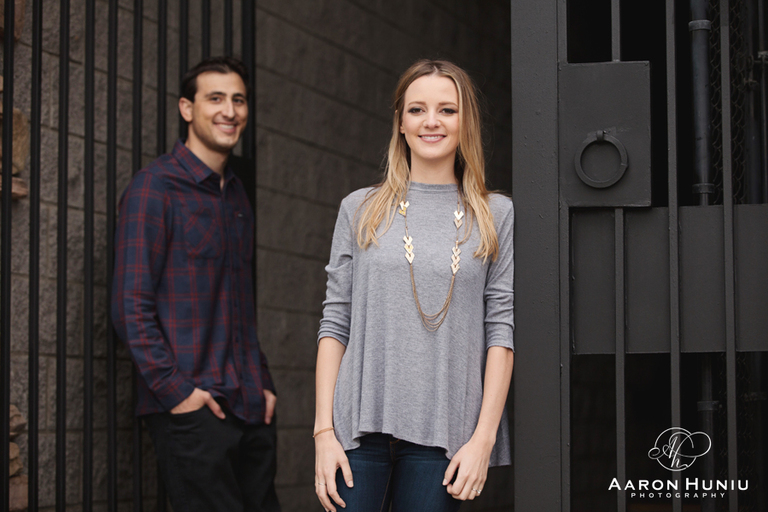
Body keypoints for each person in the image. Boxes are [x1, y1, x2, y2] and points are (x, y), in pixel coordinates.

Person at [314, 59, 515, 512]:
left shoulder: (495, 215)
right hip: (355, 429)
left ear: (466, 122)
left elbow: (500, 331)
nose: (431, 121)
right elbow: (335, 322)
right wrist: (323, 432)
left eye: (447, 110)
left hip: (444, 431)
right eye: (417, 109)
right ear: (401, 123)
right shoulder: (359, 208)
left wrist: (483, 439)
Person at [111, 56, 280, 512]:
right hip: (193, 407)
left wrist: (263, 383)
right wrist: (177, 392)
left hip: (251, 406)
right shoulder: (154, 188)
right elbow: (130, 305)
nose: (230, 111)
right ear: (187, 109)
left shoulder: (237, 194)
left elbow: (238, 304)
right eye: (216, 98)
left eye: (239, 100)